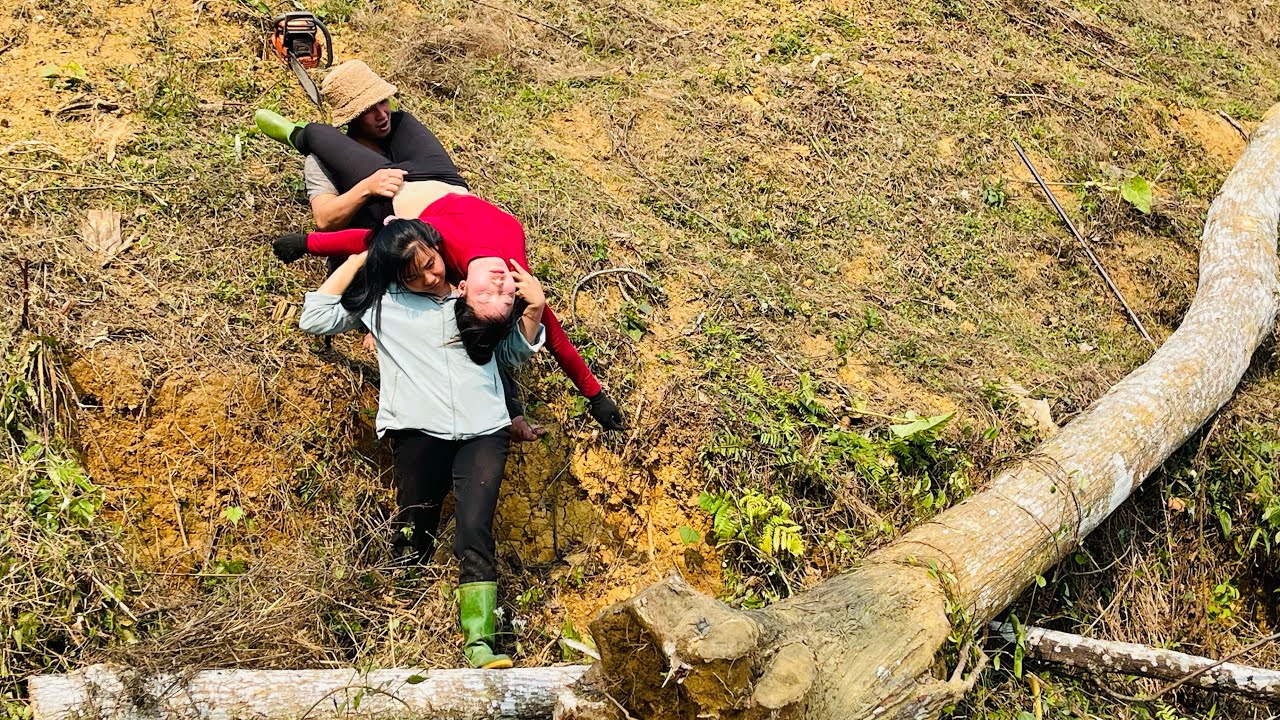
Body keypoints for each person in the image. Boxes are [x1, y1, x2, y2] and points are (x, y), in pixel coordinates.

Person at [255, 65, 625, 433]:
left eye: (484, 294)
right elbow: (554, 334)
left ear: (463, 289)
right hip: (441, 175)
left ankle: (293, 133)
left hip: (401, 189)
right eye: (371, 108)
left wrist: (307, 243)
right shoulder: (515, 276)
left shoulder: (440, 250)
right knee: (402, 121)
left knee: (317, 134)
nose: (498, 286)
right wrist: (595, 395)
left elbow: (371, 240)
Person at [299, 218, 546, 669]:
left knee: (475, 529)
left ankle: (480, 641)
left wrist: (534, 310)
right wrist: (358, 260)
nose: (429, 278)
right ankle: (400, 618)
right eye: (413, 275)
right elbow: (314, 318)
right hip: (416, 430)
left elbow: (509, 355)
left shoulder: (470, 296)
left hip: (484, 430)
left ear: (438, 248)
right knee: (416, 521)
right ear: (396, 276)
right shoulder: (382, 305)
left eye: (431, 264)